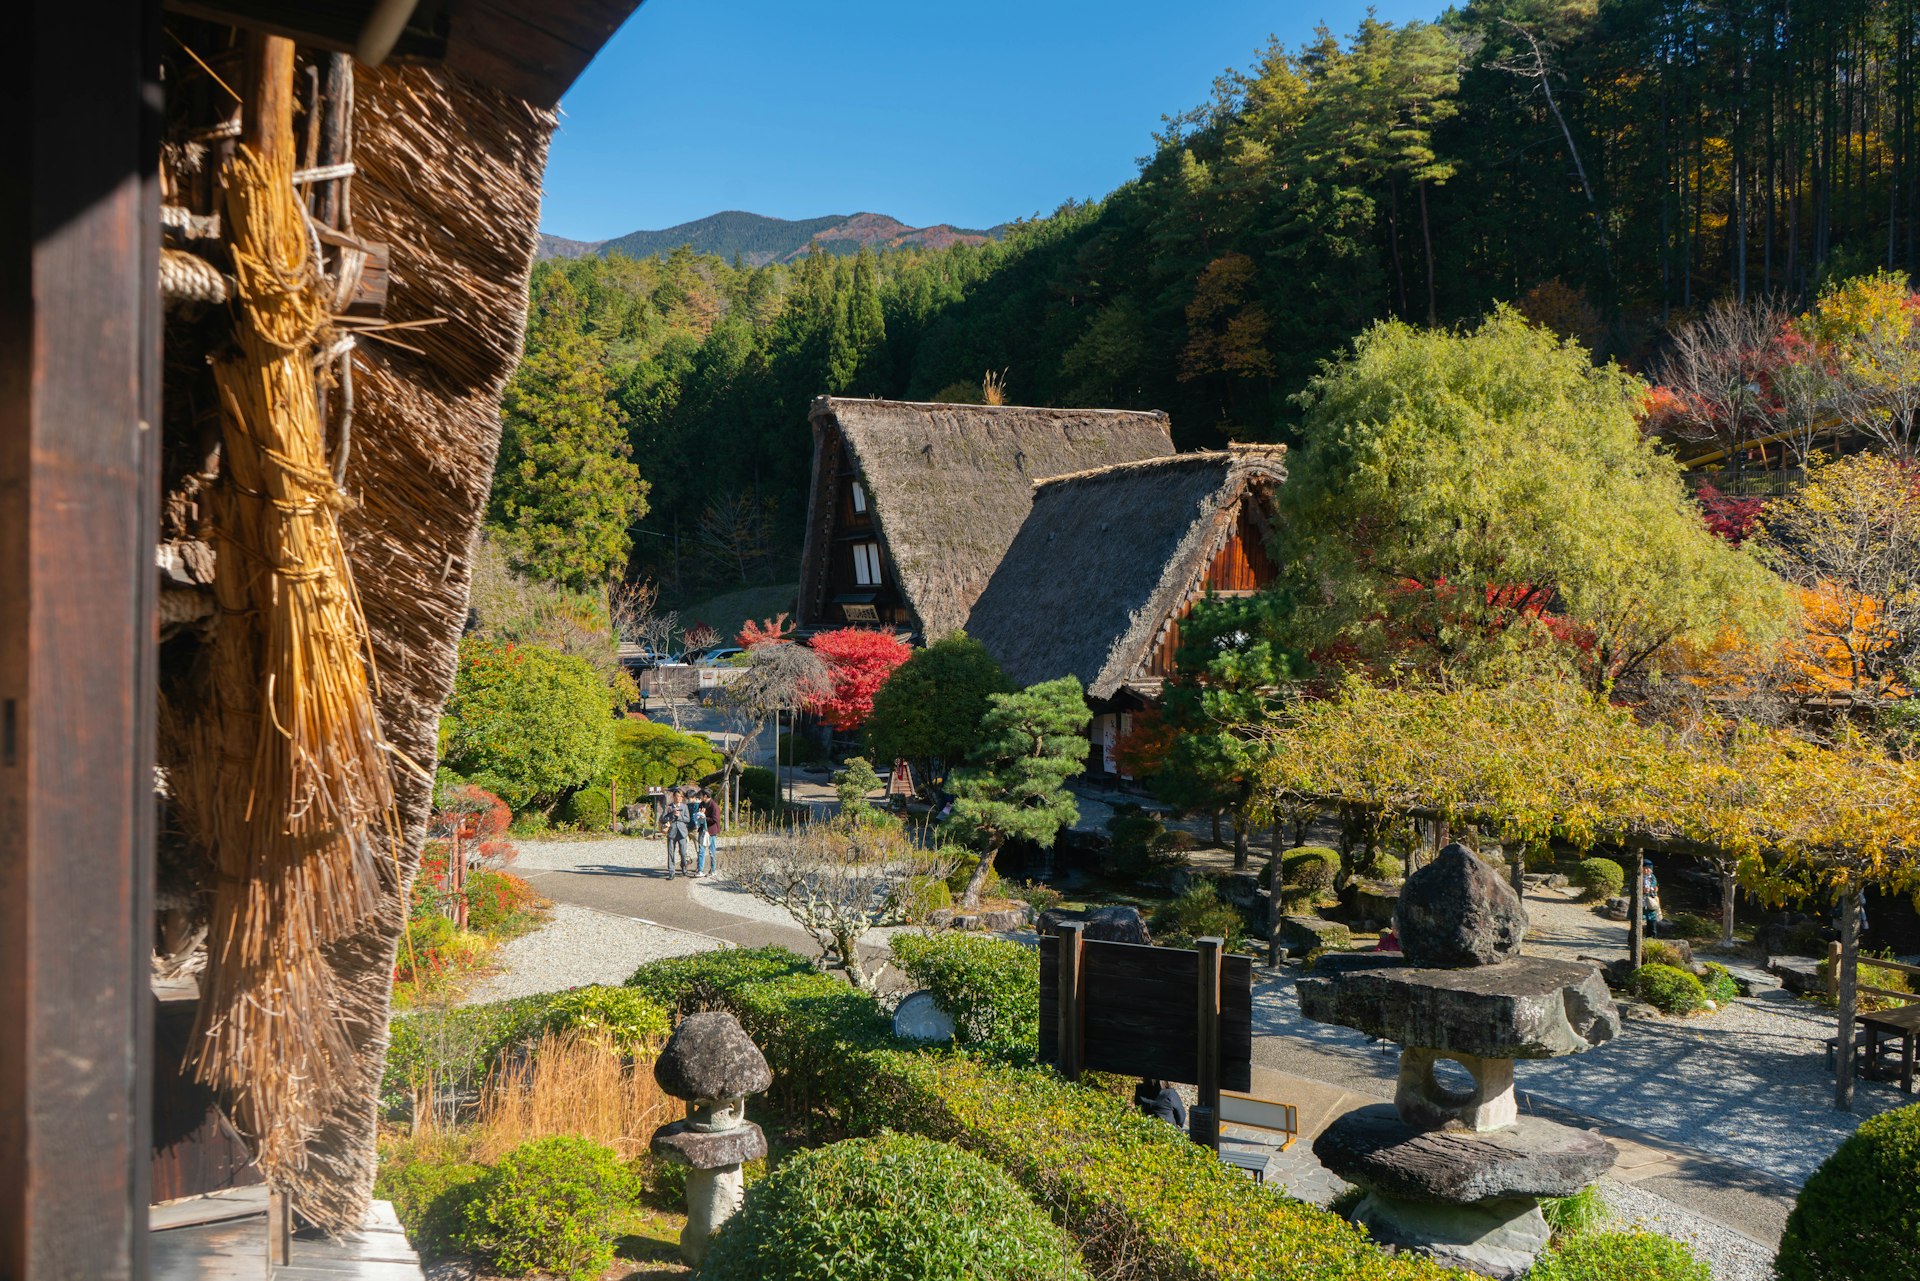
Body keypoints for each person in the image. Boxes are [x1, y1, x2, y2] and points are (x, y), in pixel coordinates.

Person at [662, 788, 690, 879]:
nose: (678, 798)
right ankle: (671, 871)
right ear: (673, 797)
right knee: (671, 852)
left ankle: (684, 865)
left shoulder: (684, 807)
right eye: (677, 796)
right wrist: (671, 814)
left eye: (680, 797)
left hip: (682, 833)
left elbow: (687, 819)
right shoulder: (669, 807)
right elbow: (662, 819)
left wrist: (680, 816)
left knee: (683, 852)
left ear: (682, 798)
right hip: (672, 832)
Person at [688, 789, 710, 877]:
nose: (689, 800)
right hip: (688, 828)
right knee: (683, 846)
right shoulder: (688, 805)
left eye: (690, 798)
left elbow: (702, 818)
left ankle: (699, 867)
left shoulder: (699, 805)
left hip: (696, 829)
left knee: (699, 849)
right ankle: (687, 860)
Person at [699, 789, 721, 875]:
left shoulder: (714, 806)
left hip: (711, 831)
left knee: (712, 851)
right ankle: (700, 870)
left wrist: (704, 817)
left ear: (705, 796)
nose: (700, 797)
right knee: (701, 850)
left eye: (701, 795)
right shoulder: (701, 804)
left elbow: (715, 819)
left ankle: (713, 869)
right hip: (702, 829)